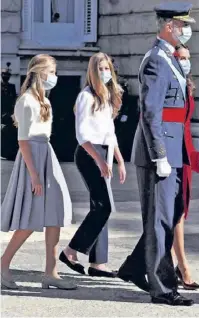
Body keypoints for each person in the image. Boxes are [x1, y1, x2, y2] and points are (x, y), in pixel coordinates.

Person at [117, 2, 195, 306]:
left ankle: (135, 267)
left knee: (171, 215)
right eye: (182, 25)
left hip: (174, 149)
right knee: (159, 221)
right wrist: (160, 154)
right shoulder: (156, 61)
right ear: (168, 26)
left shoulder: (170, 59)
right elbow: (151, 112)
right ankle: (162, 288)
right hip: (157, 151)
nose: (186, 31)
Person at [1, 54, 76, 290]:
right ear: (41, 71)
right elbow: (23, 141)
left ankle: (50, 273)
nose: (55, 76)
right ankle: (2, 265)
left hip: (46, 153)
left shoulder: (45, 100)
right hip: (32, 158)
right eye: (52, 71)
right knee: (30, 216)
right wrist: (34, 175)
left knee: (55, 212)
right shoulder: (26, 101)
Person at [59, 52, 126, 278]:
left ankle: (98, 263)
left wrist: (119, 159)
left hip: (104, 151)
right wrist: (98, 160)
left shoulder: (106, 95)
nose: (105, 72)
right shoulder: (86, 96)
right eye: (101, 69)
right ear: (92, 71)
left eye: (108, 68)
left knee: (100, 209)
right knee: (103, 207)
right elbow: (82, 134)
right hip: (89, 152)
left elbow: (110, 132)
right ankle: (70, 251)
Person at [170, 43, 199, 290]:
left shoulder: (187, 85)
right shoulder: (169, 84)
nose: (185, 62)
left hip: (185, 153)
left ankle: (172, 263)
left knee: (178, 211)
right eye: (181, 57)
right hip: (171, 155)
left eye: (188, 58)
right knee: (175, 212)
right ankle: (182, 265)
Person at [1, 63, 19, 160]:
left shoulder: (12, 87)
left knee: (10, 133)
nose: (5, 77)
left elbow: (13, 100)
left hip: (9, 113)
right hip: (1, 112)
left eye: (7, 76)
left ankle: (9, 153)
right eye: (4, 75)